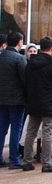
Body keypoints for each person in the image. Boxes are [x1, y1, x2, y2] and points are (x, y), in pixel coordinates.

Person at [22, 37, 52, 173]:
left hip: (33, 102)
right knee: (47, 133)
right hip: (49, 103)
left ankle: (27, 161)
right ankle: (47, 163)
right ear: (51, 48)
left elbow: (25, 82)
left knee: (30, 132)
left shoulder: (30, 63)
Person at [0, 32, 27, 169]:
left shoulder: (1, 56)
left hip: (2, 99)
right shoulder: (19, 58)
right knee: (16, 129)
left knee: (1, 129)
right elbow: (25, 80)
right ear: (19, 42)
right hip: (17, 100)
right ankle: (14, 159)